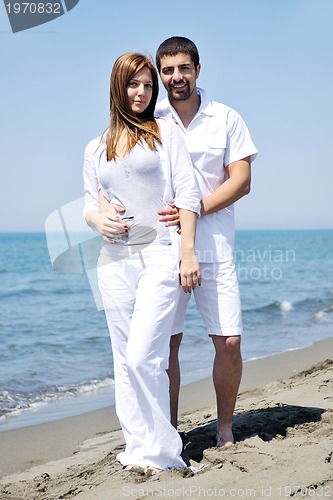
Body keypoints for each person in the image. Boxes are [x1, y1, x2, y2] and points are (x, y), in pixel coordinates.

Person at [83, 52, 201, 473]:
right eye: (135, 84)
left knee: (143, 356)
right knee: (122, 359)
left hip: (160, 255)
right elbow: (90, 205)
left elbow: (187, 195)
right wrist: (100, 220)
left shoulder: (166, 132)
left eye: (148, 85)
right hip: (113, 261)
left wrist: (187, 252)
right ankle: (137, 448)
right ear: (118, 86)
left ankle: (165, 450)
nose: (142, 92)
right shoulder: (97, 147)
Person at [154, 36, 258, 447]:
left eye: (183, 68)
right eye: (167, 70)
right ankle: (170, 434)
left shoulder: (226, 118)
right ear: (160, 74)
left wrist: (192, 209)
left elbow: (242, 182)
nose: (175, 77)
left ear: (198, 69)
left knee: (229, 341)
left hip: (214, 248)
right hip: (162, 249)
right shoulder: (149, 117)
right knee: (166, 345)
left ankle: (225, 428)